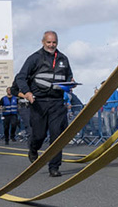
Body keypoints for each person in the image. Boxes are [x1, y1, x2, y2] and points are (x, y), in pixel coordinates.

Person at [15, 30, 75, 177]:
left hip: (57, 102)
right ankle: (33, 149)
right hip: (38, 102)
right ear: (43, 42)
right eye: (48, 42)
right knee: (39, 135)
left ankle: (54, 167)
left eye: (54, 42)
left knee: (57, 135)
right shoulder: (34, 58)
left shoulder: (63, 59)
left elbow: (68, 77)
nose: (51, 45)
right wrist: (27, 93)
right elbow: (21, 78)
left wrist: (71, 83)